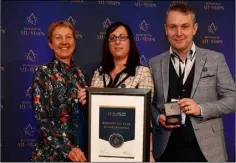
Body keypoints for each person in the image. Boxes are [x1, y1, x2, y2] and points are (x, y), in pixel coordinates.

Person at [149, 3, 236, 162]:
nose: (179, 33)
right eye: (173, 26)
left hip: (207, 152)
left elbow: (233, 99)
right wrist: (157, 118)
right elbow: (149, 105)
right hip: (166, 151)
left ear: (194, 29)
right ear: (165, 29)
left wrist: (201, 109)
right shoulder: (154, 64)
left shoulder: (215, 59)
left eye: (185, 26)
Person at [78, 22, 155, 162]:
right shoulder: (99, 73)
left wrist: (148, 152)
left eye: (122, 37)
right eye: (112, 38)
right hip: (100, 146)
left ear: (129, 41)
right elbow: (93, 114)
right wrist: (85, 102)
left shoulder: (142, 73)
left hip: (131, 146)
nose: (117, 42)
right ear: (107, 43)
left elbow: (145, 115)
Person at [31, 21, 87, 162]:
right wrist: (67, 149)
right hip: (51, 154)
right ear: (50, 44)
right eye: (58, 37)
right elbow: (42, 119)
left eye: (68, 37)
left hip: (79, 154)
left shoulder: (80, 75)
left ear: (74, 41)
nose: (64, 42)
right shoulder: (43, 73)